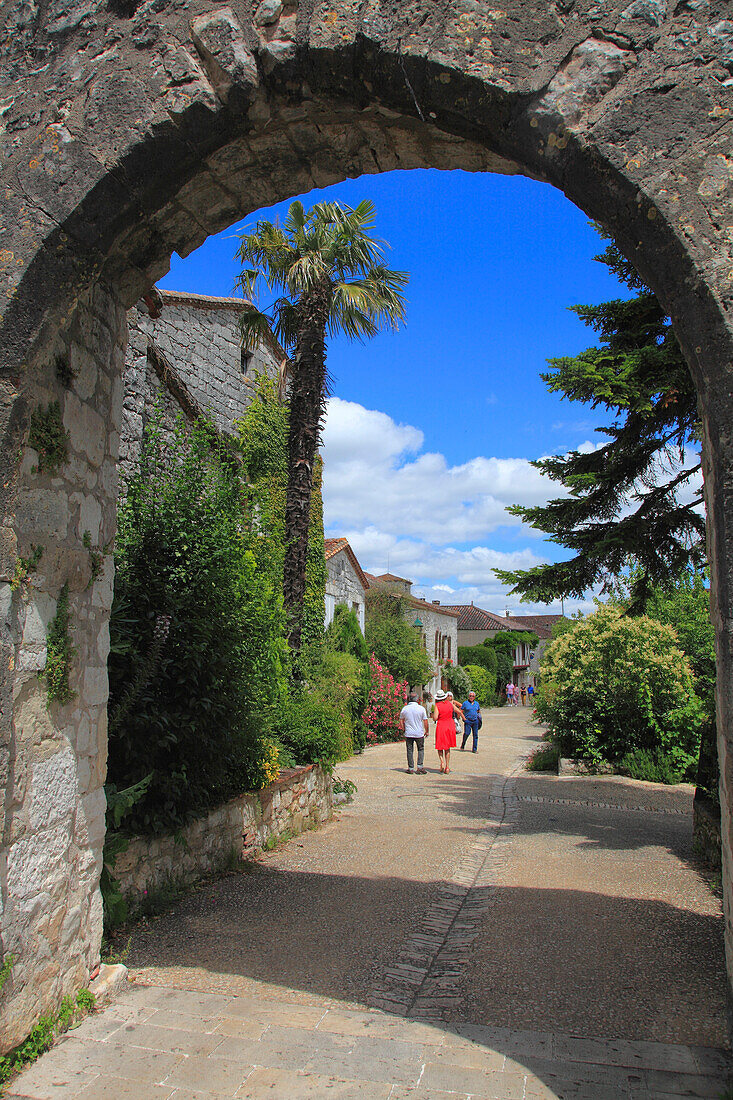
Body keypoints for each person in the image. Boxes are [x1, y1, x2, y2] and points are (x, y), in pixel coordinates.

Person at [432, 689, 463, 774]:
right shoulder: (450, 704)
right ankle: (447, 766)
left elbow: (435, 718)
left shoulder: (437, 705)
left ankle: (441, 761)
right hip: (450, 725)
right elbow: (459, 711)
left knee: (440, 745)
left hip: (441, 725)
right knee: (447, 747)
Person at [399, 691, 429, 774]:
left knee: (409, 750)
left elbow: (401, 720)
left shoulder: (405, 709)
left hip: (409, 733)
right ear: (417, 699)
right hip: (419, 733)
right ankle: (420, 766)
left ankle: (411, 768)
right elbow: (425, 721)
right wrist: (427, 731)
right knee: (421, 749)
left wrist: (403, 729)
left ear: (409, 699)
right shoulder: (421, 708)